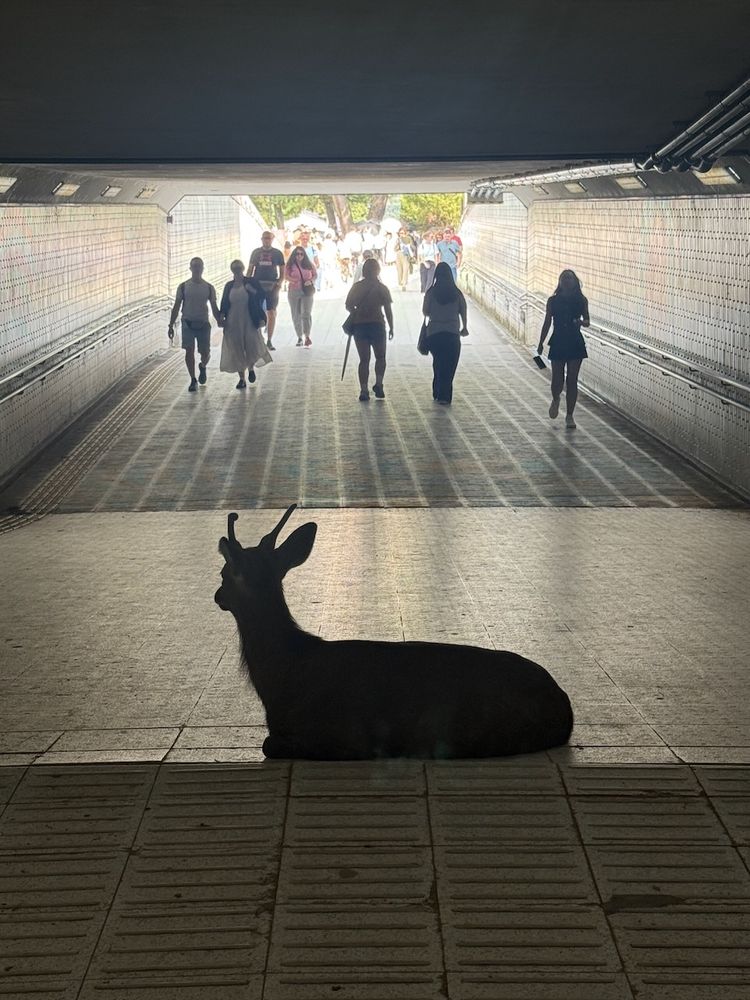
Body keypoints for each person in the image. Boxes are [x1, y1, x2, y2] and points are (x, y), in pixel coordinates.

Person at [537, 269, 590, 429]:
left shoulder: (581, 300)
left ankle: (569, 415)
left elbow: (587, 320)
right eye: (564, 278)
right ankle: (556, 398)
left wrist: (580, 323)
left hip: (575, 341)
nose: (567, 281)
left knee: (572, 380)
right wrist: (541, 342)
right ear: (560, 282)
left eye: (570, 278)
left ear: (575, 282)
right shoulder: (553, 301)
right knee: (557, 378)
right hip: (558, 340)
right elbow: (547, 322)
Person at [168, 257, 222, 392]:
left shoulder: (209, 288)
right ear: (190, 268)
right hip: (187, 322)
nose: (197, 269)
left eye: (199, 266)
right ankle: (193, 379)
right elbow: (176, 306)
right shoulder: (183, 287)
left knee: (205, 352)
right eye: (195, 266)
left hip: (203, 323)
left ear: (203, 269)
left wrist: (222, 321)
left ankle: (203, 366)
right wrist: (170, 324)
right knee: (189, 351)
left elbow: (214, 307)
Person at [344, 257, 394, 401]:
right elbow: (388, 309)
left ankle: (364, 390)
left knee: (364, 360)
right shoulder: (382, 288)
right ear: (377, 270)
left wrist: (356, 311)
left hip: (360, 326)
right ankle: (378, 384)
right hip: (378, 325)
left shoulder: (356, 287)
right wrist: (391, 327)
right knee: (381, 357)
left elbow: (348, 305)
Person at [218, 260, 272, 389]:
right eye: (235, 269)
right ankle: (241, 378)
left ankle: (251, 367)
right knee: (237, 347)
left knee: (251, 344)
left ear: (242, 269)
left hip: (249, 319)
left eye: (238, 268)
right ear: (232, 271)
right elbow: (224, 303)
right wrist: (221, 317)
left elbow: (262, 295)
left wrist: (252, 290)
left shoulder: (251, 282)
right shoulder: (229, 286)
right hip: (233, 321)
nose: (237, 271)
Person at [421, 261, 468, 405]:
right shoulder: (457, 293)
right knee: (450, 365)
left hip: (434, 334)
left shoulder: (431, 292)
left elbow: (425, 311)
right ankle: (445, 395)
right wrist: (464, 327)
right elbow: (463, 311)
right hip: (452, 334)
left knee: (438, 362)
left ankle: (437, 390)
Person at [248, 231, 285, 351]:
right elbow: (250, 269)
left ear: (272, 239)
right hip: (257, 285)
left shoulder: (277, 253)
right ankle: (258, 338)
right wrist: (247, 283)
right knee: (256, 311)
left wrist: (279, 283)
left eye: (269, 238)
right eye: (265, 238)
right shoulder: (256, 253)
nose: (266, 240)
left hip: (272, 285)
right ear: (261, 239)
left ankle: (269, 339)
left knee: (272, 312)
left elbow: (282, 270)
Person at [286, 246, 317, 346]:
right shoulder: (290, 265)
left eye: (301, 254)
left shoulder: (309, 264)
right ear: (294, 255)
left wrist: (310, 280)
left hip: (307, 291)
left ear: (304, 255)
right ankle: (299, 336)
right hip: (294, 291)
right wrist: (292, 280)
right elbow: (285, 275)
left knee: (306, 313)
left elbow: (315, 274)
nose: (299, 256)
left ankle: (307, 335)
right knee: (296, 314)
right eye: (297, 254)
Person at [394, 226, 414, 291]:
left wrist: (408, 245)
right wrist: (397, 244)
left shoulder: (409, 238)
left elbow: (412, 246)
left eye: (402, 233)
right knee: (399, 270)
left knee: (405, 270)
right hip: (399, 254)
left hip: (406, 255)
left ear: (405, 233)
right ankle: (400, 282)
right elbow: (395, 249)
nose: (401, 234)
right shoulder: (398, 239)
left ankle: (404, 284)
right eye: (400, 233)